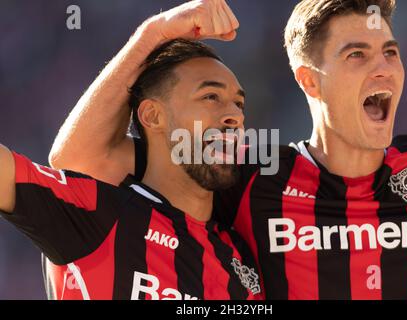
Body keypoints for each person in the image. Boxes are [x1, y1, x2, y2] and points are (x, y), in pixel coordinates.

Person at [49, 0, 407, 299]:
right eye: (357, 54)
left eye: (391, 52)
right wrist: (153, 34)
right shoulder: (251, 173)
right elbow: (81, 159)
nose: (383, 68)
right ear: (310, 82)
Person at [0, 1, 264, 300]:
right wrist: (153, 34)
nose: (235, 115)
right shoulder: (96, 212)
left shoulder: (242, 257)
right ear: (152, 116)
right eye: (211, 96)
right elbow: (73, 158)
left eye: (239, 103)